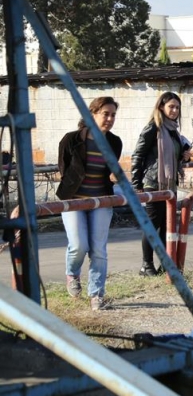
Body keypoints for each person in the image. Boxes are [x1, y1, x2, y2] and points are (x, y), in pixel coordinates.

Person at [56, 96, 122, 311]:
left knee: (98, 250)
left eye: (113, 115)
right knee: (78, 245)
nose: (110, 119)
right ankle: (73, 274)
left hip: (101, 200)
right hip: (73, 201)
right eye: (106, 114)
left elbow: (110, 173)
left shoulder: (114, 142)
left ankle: (96, 295)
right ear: (92, 114)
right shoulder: (71, 139)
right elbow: (64, 171)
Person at [131, 92, 192, 276]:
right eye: (171, 107)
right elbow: (138, 155)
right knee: (152, 224)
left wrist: (184, 155)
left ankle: (166, 263)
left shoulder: (173, 131)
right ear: (161, 107)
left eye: (177, 107)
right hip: (152, 183)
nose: (174, 111)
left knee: (167, 226)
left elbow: (174, 157)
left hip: (169, 185)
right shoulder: (153, 128)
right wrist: (136, 184)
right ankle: (146, 265)